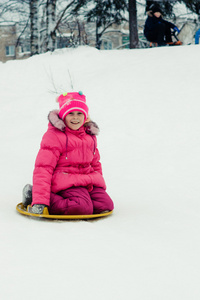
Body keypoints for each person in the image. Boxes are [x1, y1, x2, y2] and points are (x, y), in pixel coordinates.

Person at [22, 91, 114, 215]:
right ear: (63, 116)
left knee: (105, 205)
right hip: (64, 182)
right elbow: (43, 168)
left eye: (79, 113)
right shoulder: (54, 136)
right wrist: (40, 200)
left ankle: (86, 199)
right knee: (81, 208)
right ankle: (33, 195)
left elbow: (95, 163)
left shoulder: (89, 135)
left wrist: (98, 186)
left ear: (85, 116)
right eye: (70, 113)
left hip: (86, 181)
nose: (75, 117)